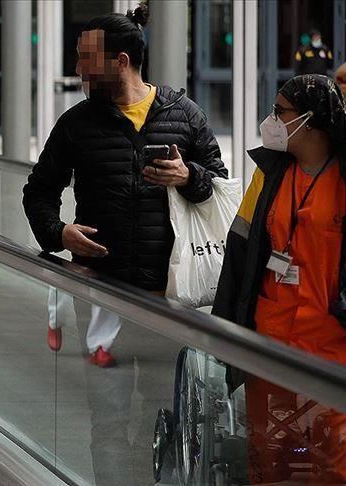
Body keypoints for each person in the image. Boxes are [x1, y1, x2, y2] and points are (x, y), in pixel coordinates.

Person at [22, 5, 227, 367]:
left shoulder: (185, 115)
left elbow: (218, 184)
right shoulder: (75, 123)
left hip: (167, 294)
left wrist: (187, 176)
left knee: (161, 395)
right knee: (103, 398)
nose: (79, 69)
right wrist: (58, 233)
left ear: (120, 61)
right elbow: (39, 191)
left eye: (86, 59)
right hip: (98, 290)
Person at [212, 74, 346, 482]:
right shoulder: (269, 175)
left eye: (279, 112)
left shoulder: (343, 179)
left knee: (334, 466)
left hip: (331, 352)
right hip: (269, 346)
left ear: (310, 121)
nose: (270, 120)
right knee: (271, 461)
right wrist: (225, 331)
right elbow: (239, 251)